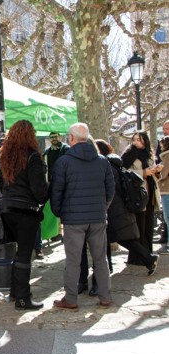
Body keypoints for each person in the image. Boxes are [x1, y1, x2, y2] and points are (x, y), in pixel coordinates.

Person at [51, 122, 114, 310]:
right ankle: (105, 296)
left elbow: (56, 191)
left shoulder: (63, 162)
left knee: (73, 260)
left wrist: (59, 213)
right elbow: (110, 190)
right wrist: (102, 208)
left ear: (71, 138)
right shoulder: (102, 161)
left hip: (73, 219)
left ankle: (70, 299)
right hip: (97, 217)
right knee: (100, 258)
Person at [0, 120, 49, 310]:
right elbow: (39, 191)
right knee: (25, 254)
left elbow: (0, 186)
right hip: (26, 211)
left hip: (8, 209)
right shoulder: (33, 157)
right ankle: (22, 298)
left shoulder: (5, 156)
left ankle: (14, 292)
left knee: (18, 253)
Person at [90, 139, 157, 279]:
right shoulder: (114, 163)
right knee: (115, 238)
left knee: (116, 238)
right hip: (119, 207)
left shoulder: (105, 165)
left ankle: (148, 258)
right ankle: (147, 259)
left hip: (113, 209)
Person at [122, 132, 162, 261]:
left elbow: (153, 174)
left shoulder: (149, 154)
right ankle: (139, 257)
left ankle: (148, 253)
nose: (136, 142)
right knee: (139, 225)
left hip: (150, 193)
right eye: (134, 140)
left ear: (145, 141)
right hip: (137, 194)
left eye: (139, 140)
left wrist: (156, 171)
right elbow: (124, 173)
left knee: (149, 226)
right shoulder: (128, 154)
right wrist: (143, 173)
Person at [156, 136, 169, 255]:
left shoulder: (167, 156)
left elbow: (163, 174)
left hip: (167, 190)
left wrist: (157, 171)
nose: (160, 147)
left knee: (168, 217)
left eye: (162, 144)